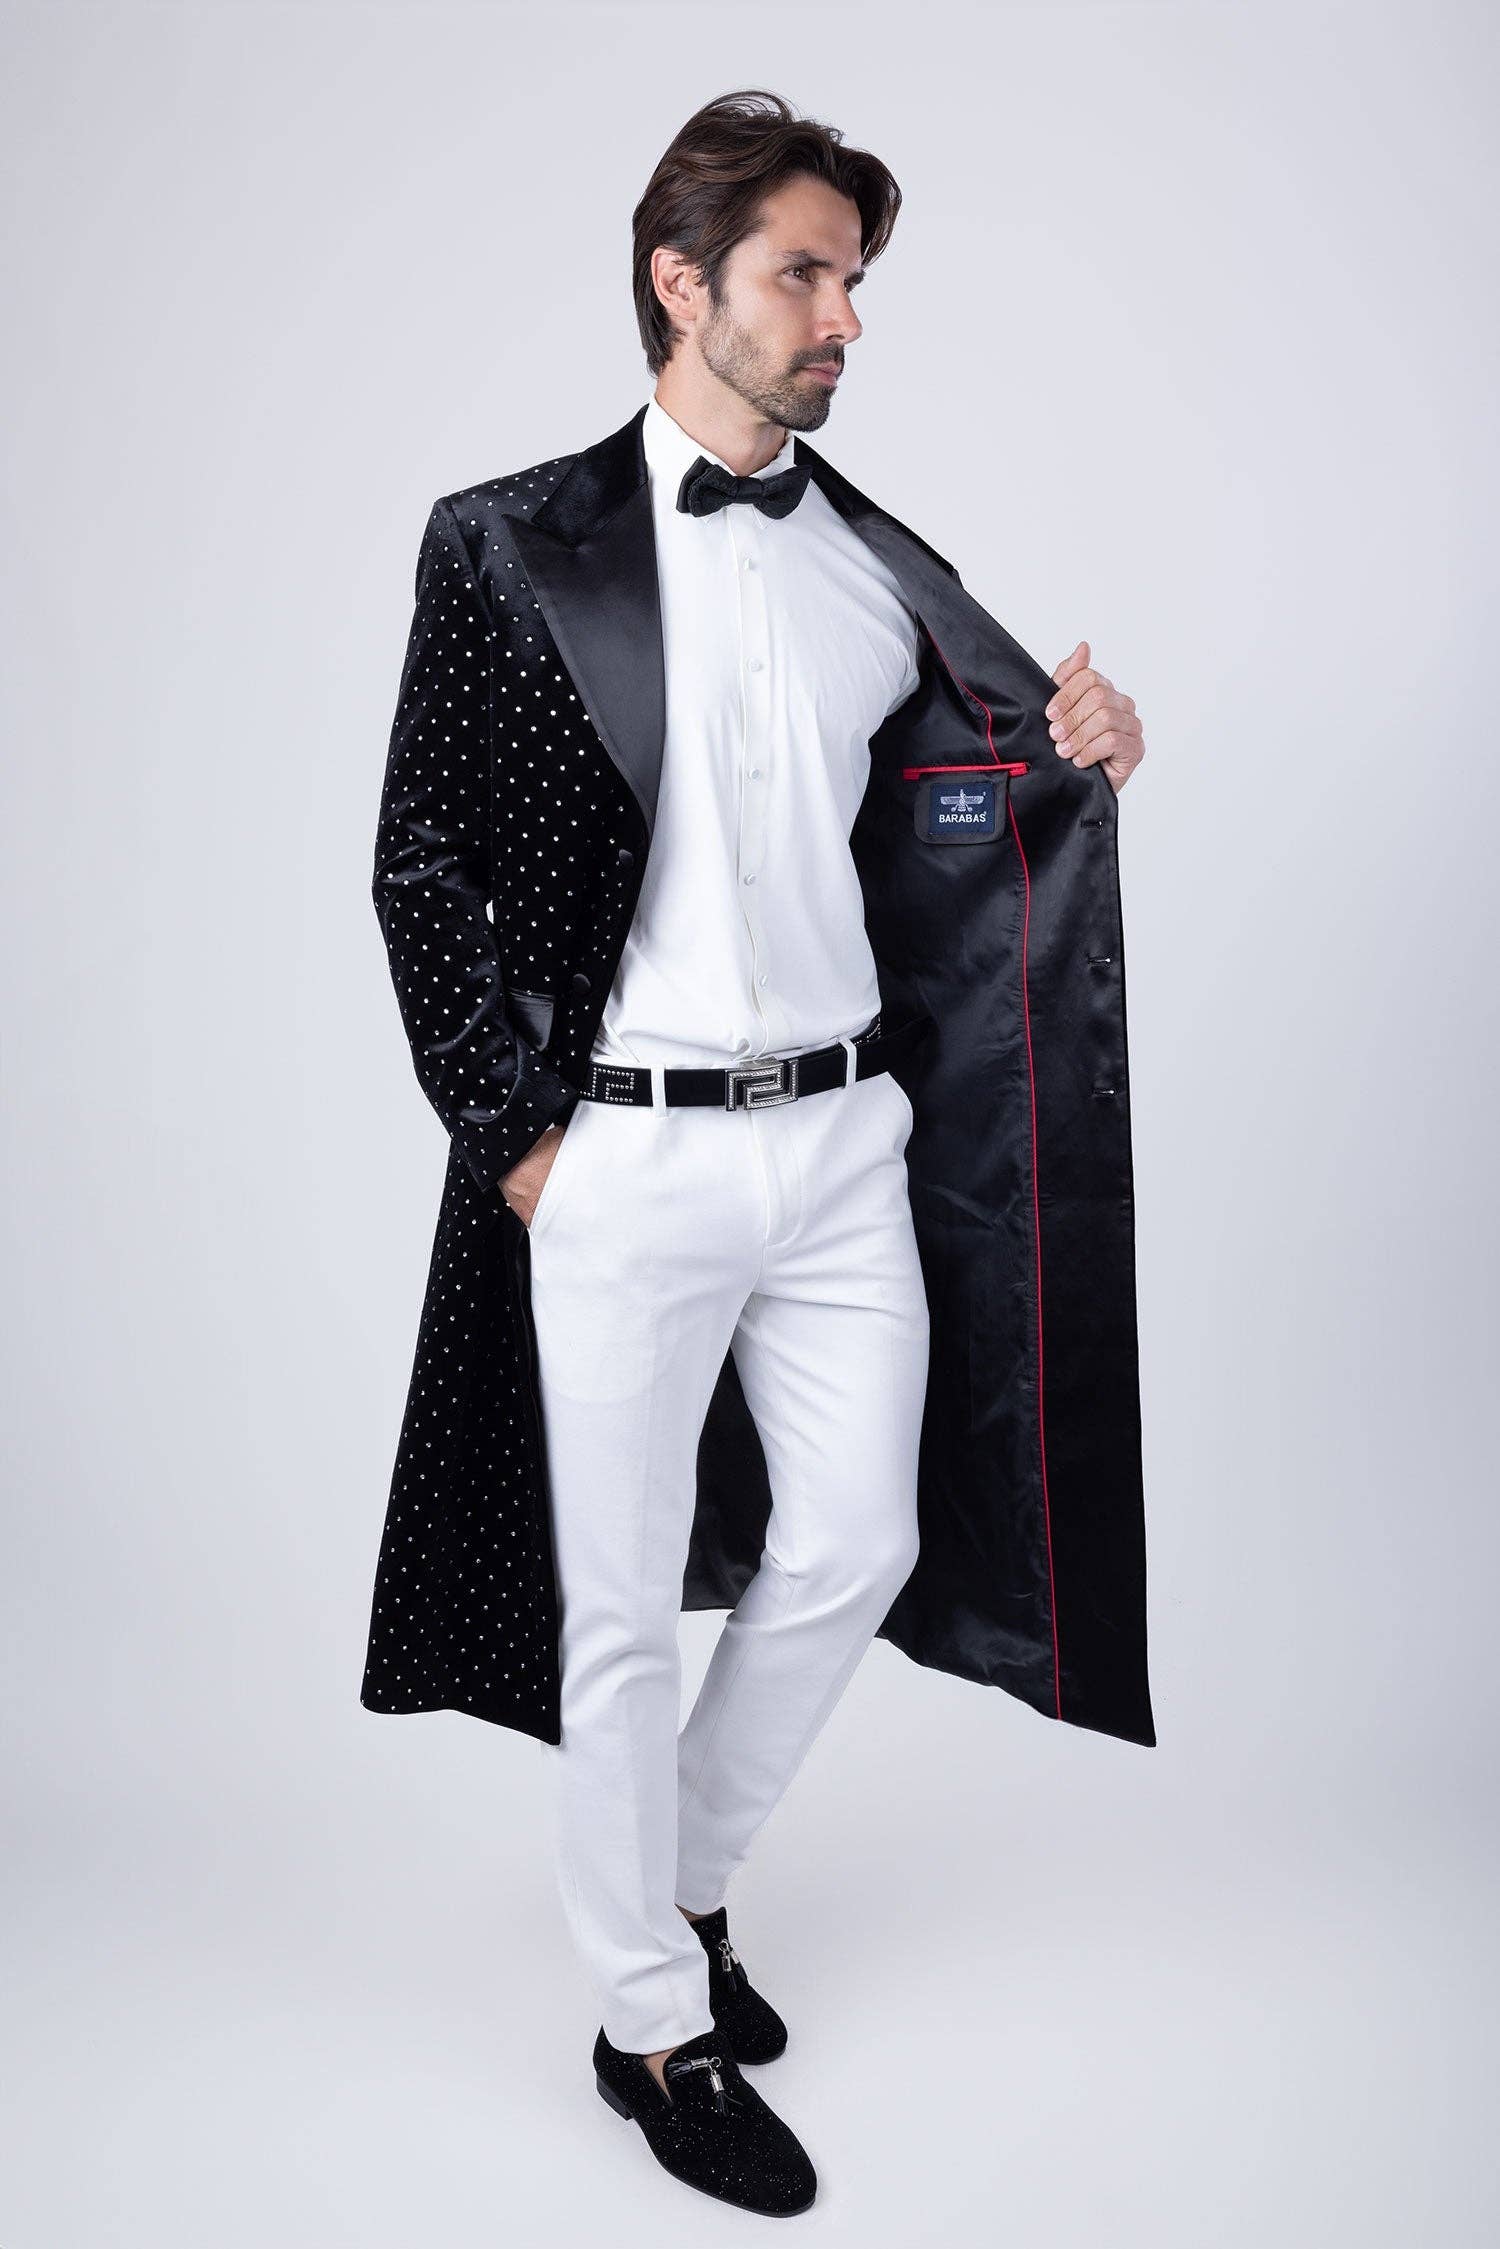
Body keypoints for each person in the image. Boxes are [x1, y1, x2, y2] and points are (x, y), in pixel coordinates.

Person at [363, 88, 1149, 2218]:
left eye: (854, 282)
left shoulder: (880, 572)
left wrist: (1090, 747)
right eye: (805, 274)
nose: (842, 320)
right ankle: (648, 2021)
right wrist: (520, 1144)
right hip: (620, 1158)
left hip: (843, 1146)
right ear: (680, 281)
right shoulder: (506, 542)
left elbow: (989, 812)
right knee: (617, 1617)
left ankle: (685, 1879)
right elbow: (422, 862)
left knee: (857, 1541)